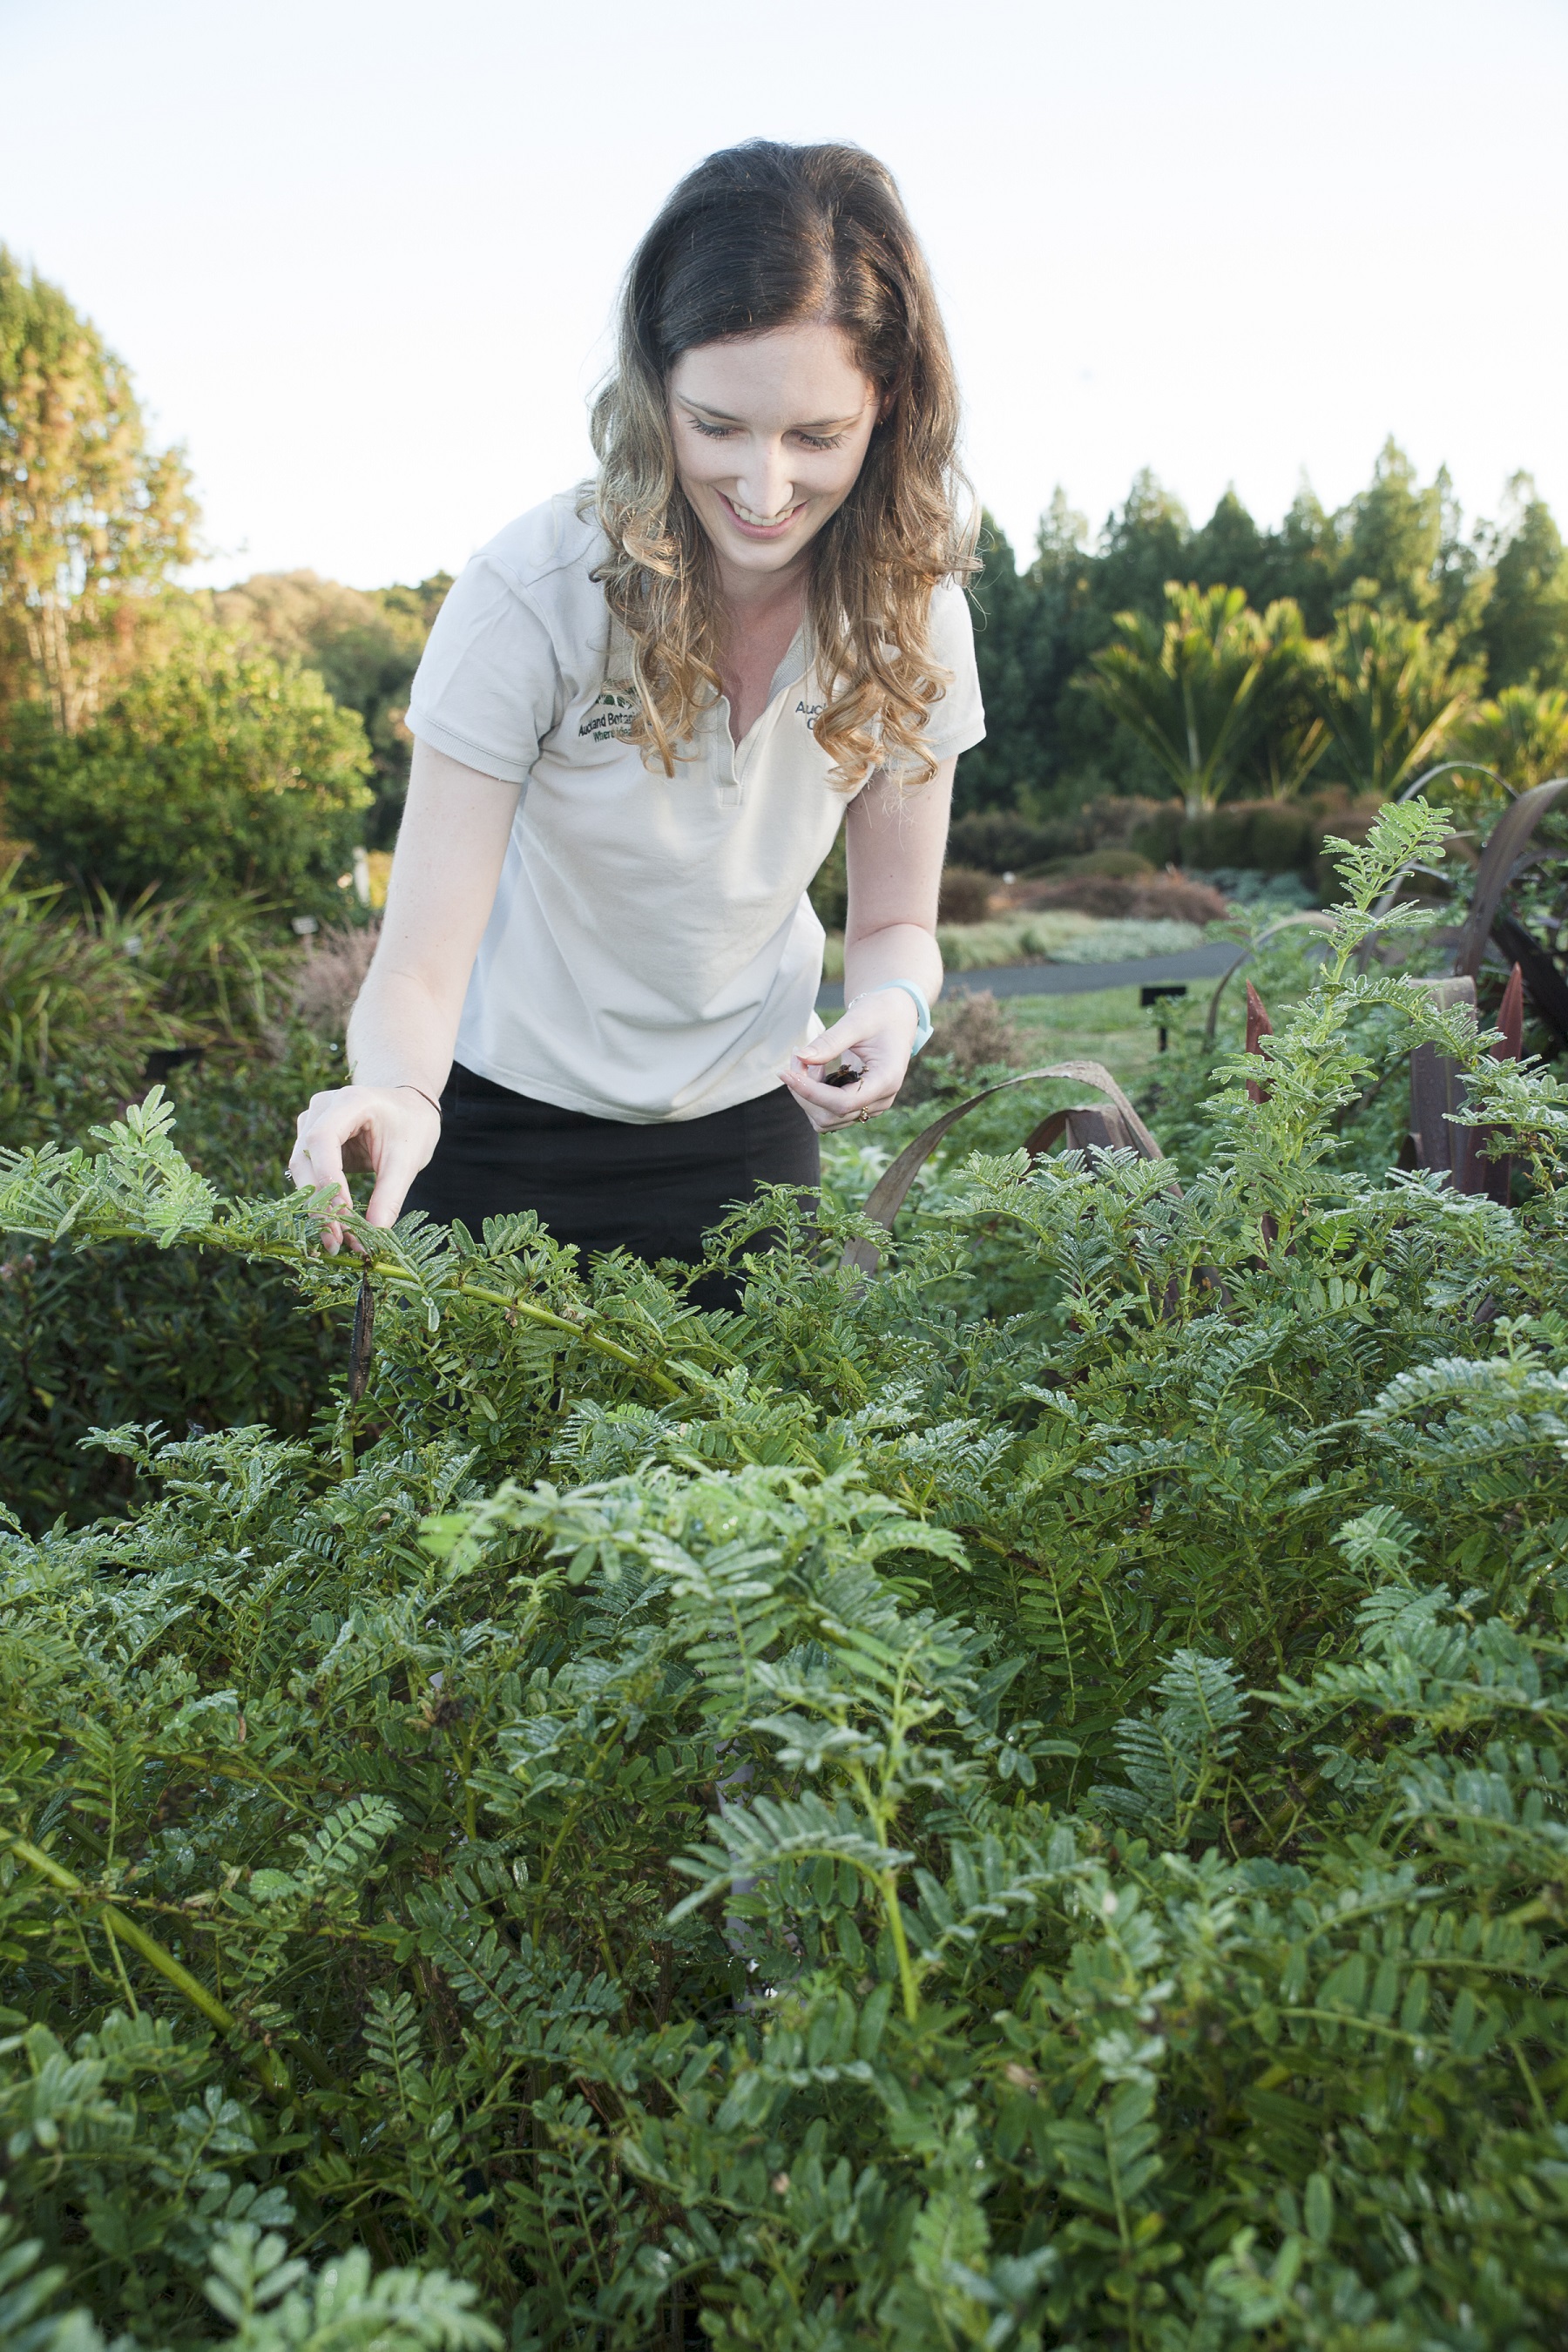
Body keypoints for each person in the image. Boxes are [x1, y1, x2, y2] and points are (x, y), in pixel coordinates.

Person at [288, 139, 984, 1278]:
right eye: (718, 426)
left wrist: (894, 1007)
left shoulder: (917, 620)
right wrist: (397, 1093)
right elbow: (416, 967)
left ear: (891, 403)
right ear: (655, 387)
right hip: (494, 1135)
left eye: (817, 437)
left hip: (753, 1136)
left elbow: (897, 929)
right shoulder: (531, 594)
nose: (765, 494)